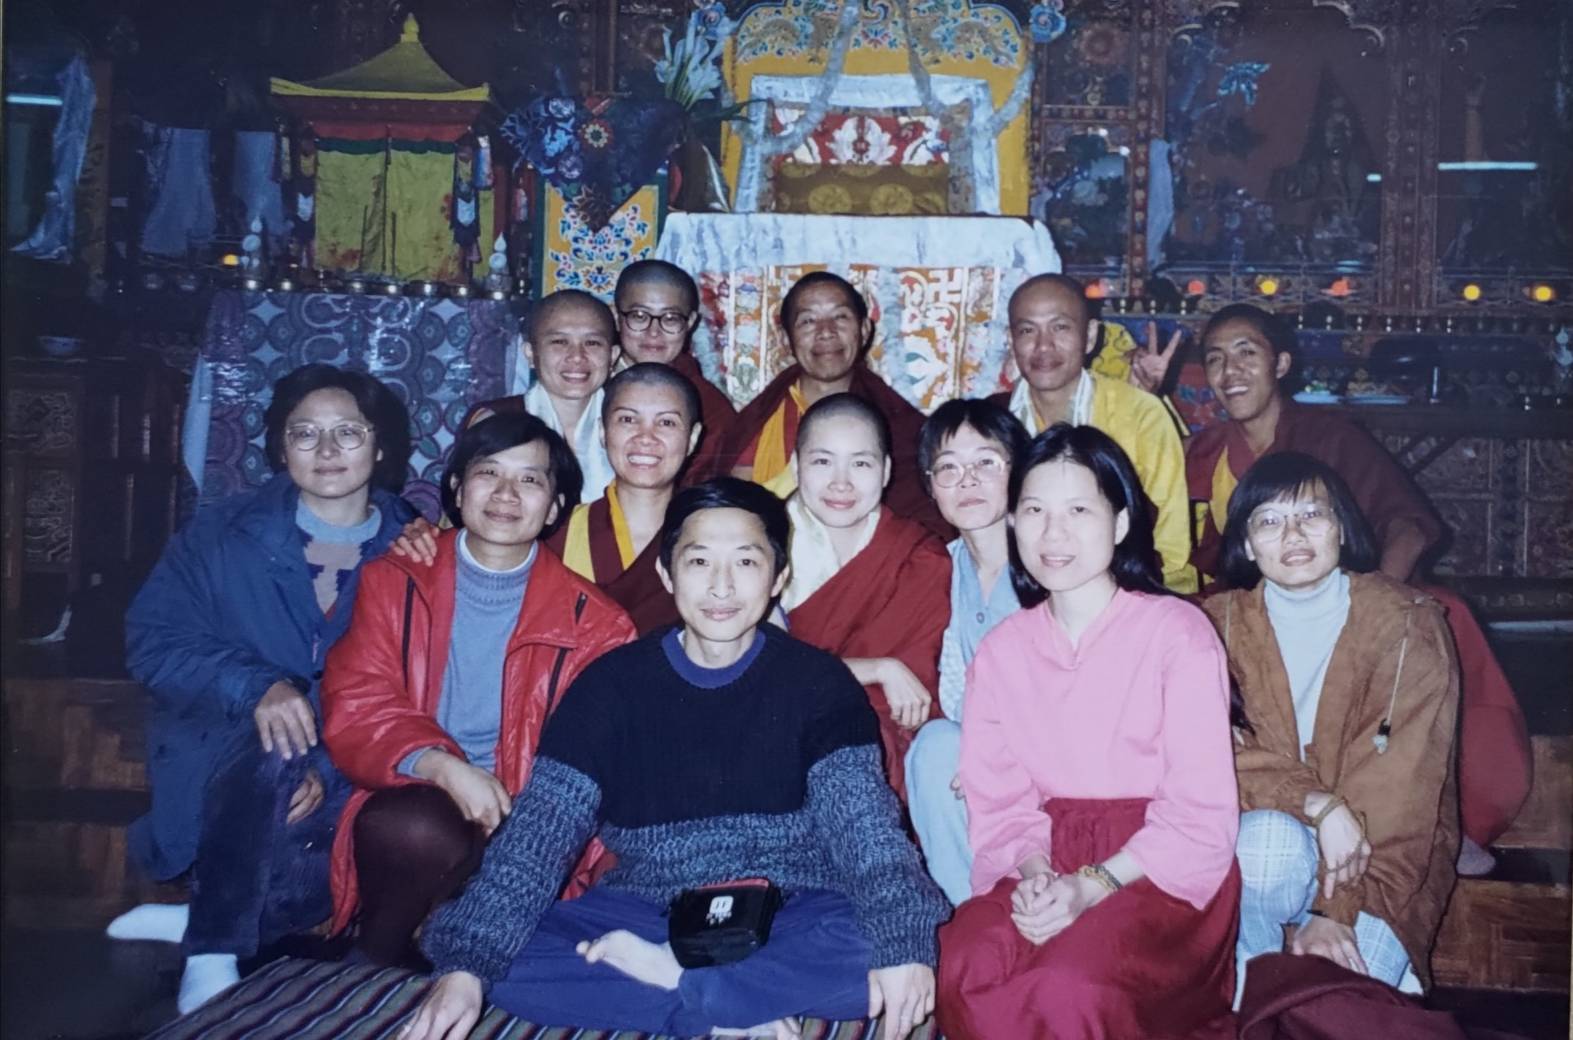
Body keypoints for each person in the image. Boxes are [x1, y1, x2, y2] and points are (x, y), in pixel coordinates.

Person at [396, 478, 950, 1040]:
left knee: (884, 948)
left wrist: (902, 942)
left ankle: (681, 986)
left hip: (788, 904)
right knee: (498, 959)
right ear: (666, 573)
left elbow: (865, 830)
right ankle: (732, 1004)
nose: (721, 586)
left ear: (779, 577)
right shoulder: (610, 687)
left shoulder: (820, 683)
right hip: (648, 907)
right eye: (699, 561)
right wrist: (468, 965)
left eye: (746, 562)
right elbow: (540, 832)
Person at [113, 364, 417, 1013]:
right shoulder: (222, 534)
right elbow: (153, 639)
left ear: (381, 446)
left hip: (351, 754)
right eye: (305, 433)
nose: (327, 450)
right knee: (276, 743)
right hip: (224, 739)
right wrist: (254, 687)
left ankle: (206, 920)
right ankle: (214, 949)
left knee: (344, 834)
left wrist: (326, 763)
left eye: (348, 432)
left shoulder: (414, 548)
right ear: (280, 447)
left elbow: (416, 681)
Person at [1185, 303, 1528, 870]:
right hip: (1256, 604)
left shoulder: (1330, 436)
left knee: (1444, 612)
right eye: (1216, 359)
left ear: (1281, 364)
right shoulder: (1206, 450)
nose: (1231, 371)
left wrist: (1369, 608)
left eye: (1247, 353)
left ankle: (1449, 818)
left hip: (1346, 591)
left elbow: (1407, 525)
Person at [937, 424, 1240, 1039]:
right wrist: (1037, 877)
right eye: (1035, 511)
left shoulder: (1178, 633)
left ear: (1121, 522)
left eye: (1078, 510)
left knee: (1070, 986)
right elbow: (1000, 802)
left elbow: (1197, 811)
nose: (1054, 534)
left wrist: (1094, 884)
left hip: (1157, 868)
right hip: (1046, 854)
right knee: (964, 959)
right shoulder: (1000, 652)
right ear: (1012, 522)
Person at [319, 412, 636, 967]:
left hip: (531, 820)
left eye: (530, 479)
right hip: (418, 796)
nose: (506, 494)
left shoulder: (598, 625)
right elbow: (358, 700)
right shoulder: (395, 581)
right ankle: (376, 958)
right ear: (458, 488)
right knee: (414, 826)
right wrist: (443, 766)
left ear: (555, 507)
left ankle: (433, 947)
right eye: (489, 473)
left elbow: (596, 761)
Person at [1204, 452, 1459, 1002]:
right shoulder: (1213, 625)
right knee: (1264, 847)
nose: (1293, 534)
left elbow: (1403, 795)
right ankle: (1249, 976)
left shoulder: (1408, 623)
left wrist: (1333, 911)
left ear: (1341, 526)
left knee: (1342, 1006)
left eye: (1311, 515)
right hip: (1265, 854)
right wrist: (1317, 803)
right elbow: (1211, 755)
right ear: (1247, 543)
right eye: (1269, 520)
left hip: (1380, 862)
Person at [782, 394, 951, 803]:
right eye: (823, 462)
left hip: (875, 740)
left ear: (886, 470)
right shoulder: (758, 546)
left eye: (860, 464)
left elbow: (911, 702)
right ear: (796, 465)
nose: (841, 482)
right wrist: (876, 668)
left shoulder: (917, 556)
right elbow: (760, 670)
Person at [694, 271, 949, 537]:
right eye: (808, 321)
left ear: (864, 330)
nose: (826, 332)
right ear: (786, 339)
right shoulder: (758, 422)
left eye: (840, 317)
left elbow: (924, 526)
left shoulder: (899, 427)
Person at [988, 273, 1197, 592]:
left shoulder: (1140, 415)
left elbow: (1172, 546)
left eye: (1060, 327)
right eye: (1027, 330)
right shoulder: (992, 423)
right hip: (1016, 592)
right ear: (1010, 339)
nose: (1043, 346)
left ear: (1089, 336)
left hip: (1123, 595)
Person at [902, 399, 1029, 905]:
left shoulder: (1052, 556)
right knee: (934, 747)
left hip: (1057, 753)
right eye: (948, 468)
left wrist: (1002, 751)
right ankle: (969, 911)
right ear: (930, 486)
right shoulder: (941, 567)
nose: (968, 480)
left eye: (986, 462)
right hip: (976, 757)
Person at [545, 363, 704, 634]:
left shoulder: (710, 535)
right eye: (628, 420)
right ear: (603, 431)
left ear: (692, 438)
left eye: (666, 422)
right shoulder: (558, 536)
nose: (646, 438)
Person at [468, 289, 618, 501]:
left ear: (613, 356)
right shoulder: (496, 420)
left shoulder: (630, 424)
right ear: (530, 353)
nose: (577, 356)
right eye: (559, 342)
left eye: (592, 343)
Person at [613, 258, 737, 449]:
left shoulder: (708, 406)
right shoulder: (588, 380)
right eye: (639, 316)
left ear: (690, 323)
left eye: (671, 318)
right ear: (616, 317)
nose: (654, 332)